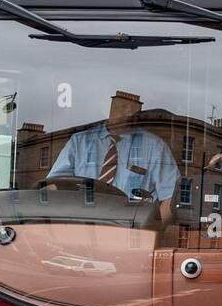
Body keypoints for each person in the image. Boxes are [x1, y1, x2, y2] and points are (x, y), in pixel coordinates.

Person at [46, 95, 180, 231]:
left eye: (133, 108)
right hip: (80, 230)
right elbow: (53, 186)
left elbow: (171, 198)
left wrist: (147, 231)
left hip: (130, 233)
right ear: (107, 109)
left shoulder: (155, 147)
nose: (128, 112)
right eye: (121, 107)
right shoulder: (79, 142)